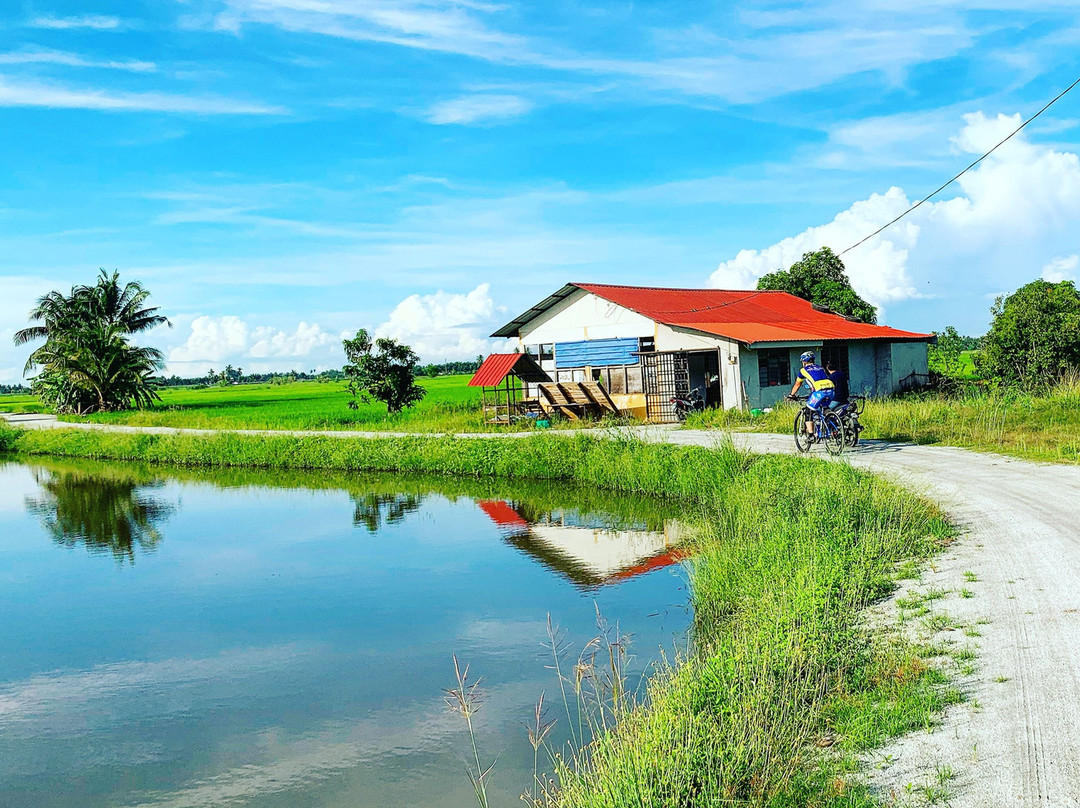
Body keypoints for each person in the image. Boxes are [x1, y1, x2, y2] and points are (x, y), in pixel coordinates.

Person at [787, 351, 834, 435]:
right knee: (824, 408)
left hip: (819, 391)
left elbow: (797, 384)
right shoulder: (820, 368)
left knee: (809, 411)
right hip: (831, 389)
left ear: (804, 361)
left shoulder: (803, 370)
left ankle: (811, 434)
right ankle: (833, 427)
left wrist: (792, 395)